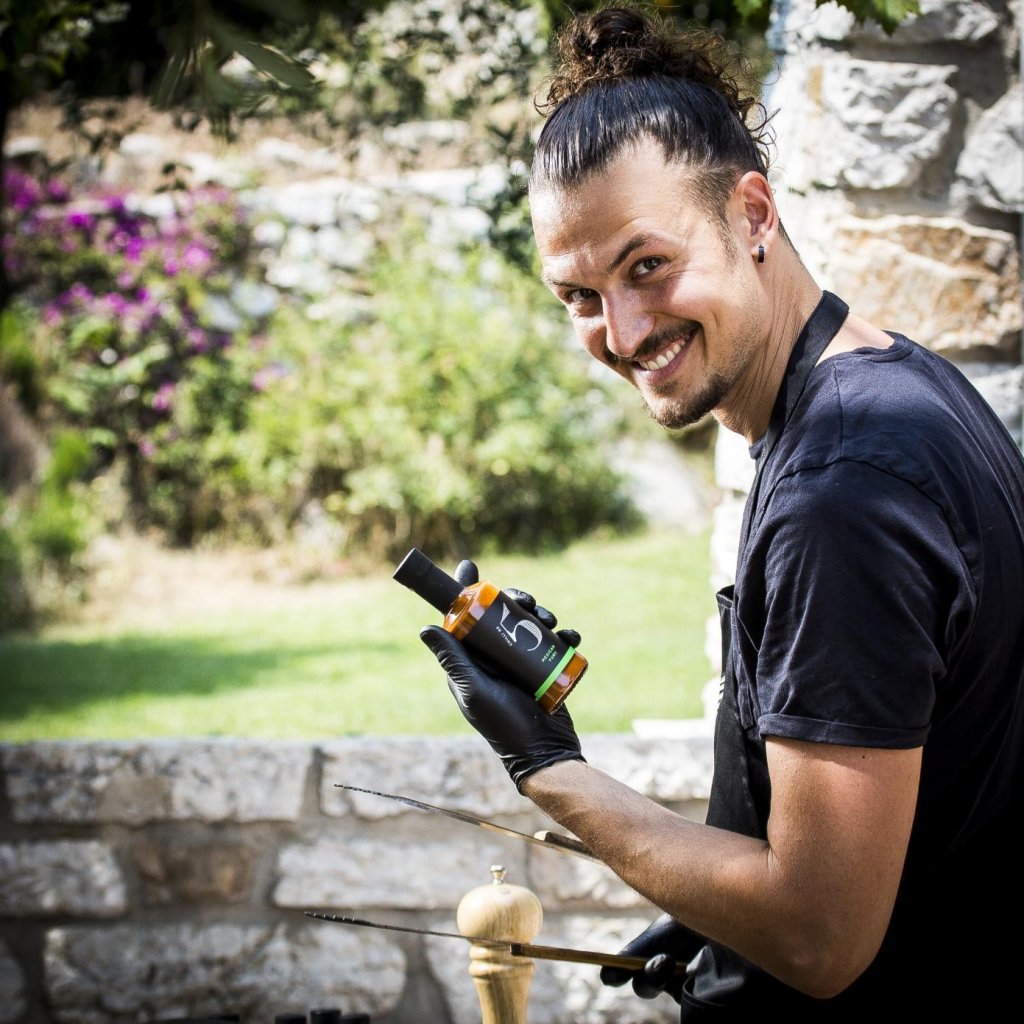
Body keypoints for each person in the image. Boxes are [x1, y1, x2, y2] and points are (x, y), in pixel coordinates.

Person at [418, 5, 1024, 1017]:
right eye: (579, 296)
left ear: (752, 216)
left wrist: (549, 768)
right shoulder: (899, 383)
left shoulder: (843, 492)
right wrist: (712, 907)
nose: (622, 332)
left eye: (647, 266)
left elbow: (819, 936)